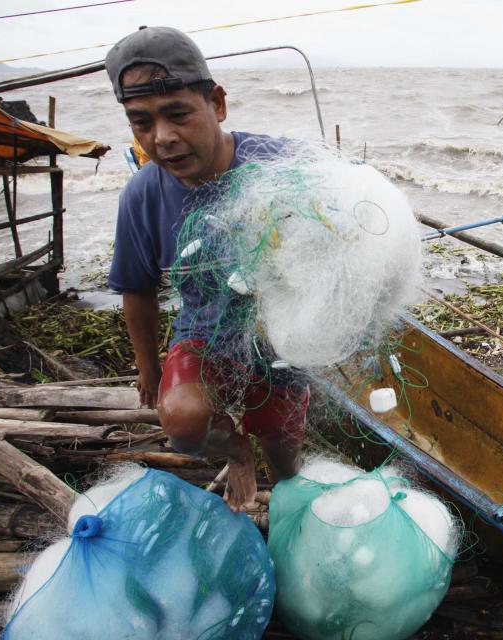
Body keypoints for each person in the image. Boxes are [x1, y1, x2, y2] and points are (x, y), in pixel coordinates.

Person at [104, 26, 309, 511]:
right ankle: (236, 451)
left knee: (285, 453)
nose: (163, 138)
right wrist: (149, 370)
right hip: (203, 331)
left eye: (178, 115)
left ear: (216, 103)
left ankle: (284, 496)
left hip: (281, 338)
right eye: (141, 123)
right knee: (182, 422)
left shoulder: (279, 167)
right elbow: (137, 291)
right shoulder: (143, 196)